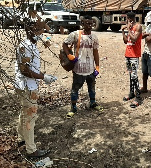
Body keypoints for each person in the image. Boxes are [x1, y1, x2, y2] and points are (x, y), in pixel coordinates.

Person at [15, 20, 57, 158]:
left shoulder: (32, 45)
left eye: (42, 30)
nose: (41, 33)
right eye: (38, 30)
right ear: (29, 30)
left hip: (28, 85)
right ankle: (31, 150)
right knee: (30, 116)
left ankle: (21, 138)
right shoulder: (25, 46)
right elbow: (25, 71)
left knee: (25, 112)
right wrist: (43, 77)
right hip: (27, 86)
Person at [63, 15, 102, 118]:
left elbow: (95, 52)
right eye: (87, 23)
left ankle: (93, 103)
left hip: (90, 69)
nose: (89, 25)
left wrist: (97, 66)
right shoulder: (75, 34)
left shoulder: (94, 37)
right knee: (75, 89)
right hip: (78, 68)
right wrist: (69, 55)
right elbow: (64, 44)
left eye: (91, 23)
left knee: (92, 88)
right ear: (82, 24)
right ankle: (73, 108)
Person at [122, 12, 143, 108]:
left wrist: (129, 28)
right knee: (130, 74)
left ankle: (138, 97)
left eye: (127, 19)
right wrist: (123, 31)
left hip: (134, 55)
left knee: (134, 75)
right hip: (128, 54)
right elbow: (126, 41)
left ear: (131, 19)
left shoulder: (138, 27)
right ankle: (131, 93)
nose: (127, 21)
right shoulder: (129, 27)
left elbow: (134, 39)